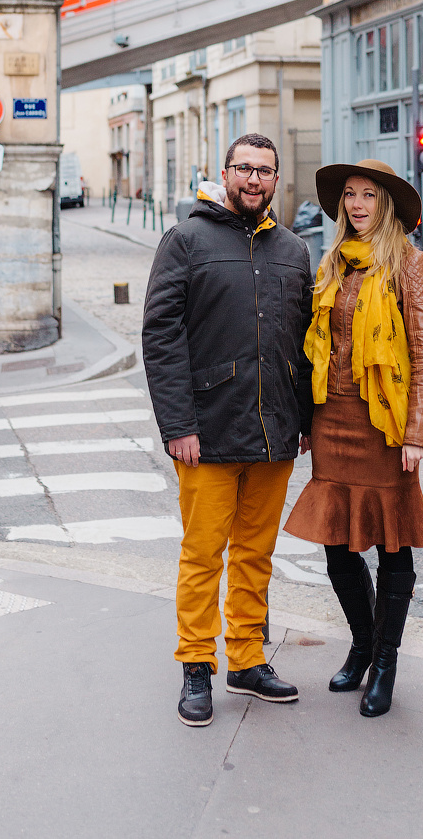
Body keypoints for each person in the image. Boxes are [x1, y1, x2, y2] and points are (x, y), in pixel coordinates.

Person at [142, 133, 314, 728]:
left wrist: (305, 420)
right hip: (207, 433)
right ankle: (196, 663)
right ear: (225, 173)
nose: (255, 179)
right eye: (245, 168)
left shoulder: (294, 250)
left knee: (256, 555)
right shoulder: (186, 240)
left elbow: (304, 342)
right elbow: (160, 338)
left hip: (275, 433)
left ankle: (245, 659)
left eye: (265, 171)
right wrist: (177, 425)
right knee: (202, 555)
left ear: (275, 180)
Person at [284, 159, 423, 718]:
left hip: (384, 426)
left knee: (392, 544)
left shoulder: (409, 265)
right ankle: (361, 645)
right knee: (338, 546)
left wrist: (416, 432)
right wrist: (305, 421)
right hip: (333, 423)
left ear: (386, 204)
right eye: (349, 195)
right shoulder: (331, 265)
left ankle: (386, 664)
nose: (356, 204)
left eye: (368, 195)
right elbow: (313, 350)